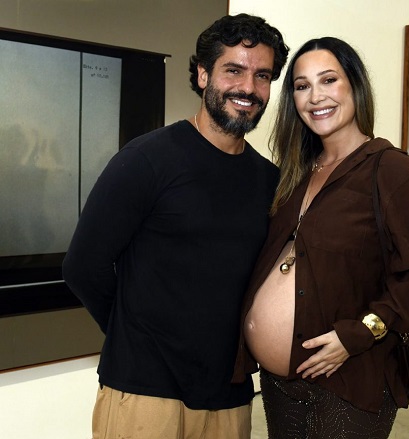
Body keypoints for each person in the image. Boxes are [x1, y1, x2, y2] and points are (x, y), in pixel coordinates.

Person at [62, 13, 289, 439]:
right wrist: (133, 333)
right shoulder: (147, 160)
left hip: (229, 394)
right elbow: (83, 266)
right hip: (145, 393)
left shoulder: (269, 180)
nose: (248, 88)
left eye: (262, 75)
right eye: (233, 70)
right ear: (203, 75)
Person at [232, 37, 409, 438]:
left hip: (347, 381)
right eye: (302, 86)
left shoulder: (394, 173)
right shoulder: (296, 173)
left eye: (328, 80)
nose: (316, 97)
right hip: (279, 384)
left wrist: (357, 334)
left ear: (355, 86)